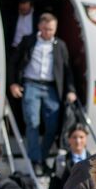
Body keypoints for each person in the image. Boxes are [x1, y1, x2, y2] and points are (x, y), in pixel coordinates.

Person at [9, 12, 77, 175]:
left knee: (53, 125)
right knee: (32, 123)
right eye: (46, 29)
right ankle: (36, 160)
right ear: (39, 27)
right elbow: (14, 62)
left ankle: (42, 156)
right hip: (30, 84)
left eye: (52, 29)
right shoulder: (28, 41)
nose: (49, 32)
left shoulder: (60, 45)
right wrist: (13, 83)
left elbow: (67, 70)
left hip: (51, 87)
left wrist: (71, 90)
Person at [46, 123, 90, 189]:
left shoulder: (95, 161)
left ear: (86, 138)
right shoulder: (60, 161)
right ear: (69, 139)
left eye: (81, 137)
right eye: (74, 137)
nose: (78, 141)